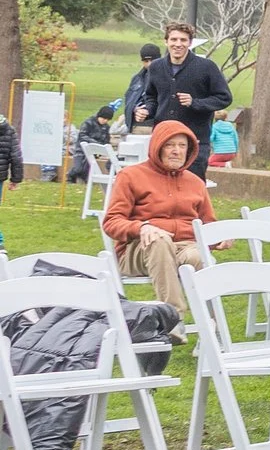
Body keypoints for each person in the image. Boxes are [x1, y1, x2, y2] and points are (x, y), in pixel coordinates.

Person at [102, 122, 214, 305]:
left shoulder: (195, 183)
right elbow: (111, 222)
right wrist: (142, 227)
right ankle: (174, 320)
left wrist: (222, 238)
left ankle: (211, 326)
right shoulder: (130, 176)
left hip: (185, 246)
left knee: (198, 257)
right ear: (157, 147)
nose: (176, 151)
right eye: (170, 145)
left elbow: (209, 224)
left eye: (182, 146)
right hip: (139, 249)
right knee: (158, 239)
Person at [132, 23, 233, 144]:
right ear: (166, 42)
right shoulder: (156, 67)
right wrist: (147, 111)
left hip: (195, 140)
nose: (178, 44)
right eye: (174, 39)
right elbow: (151, 97)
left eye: (183, 40)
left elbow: (224, 98)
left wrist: (195, 102)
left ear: (190, 43)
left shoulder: (207, 67)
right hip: (164, 139)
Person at [121, 42, 160, 126]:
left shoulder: (166, 77)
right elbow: (128, 101)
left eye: (152, 60)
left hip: (156, 125)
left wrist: (147, 110)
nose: (149, 64)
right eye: (146, 61)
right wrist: (135, 109)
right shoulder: (137, 78)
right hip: (135, 124)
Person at [72, 107, 114, 182]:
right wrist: (95, 143)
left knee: (87, 168)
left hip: (95, 151)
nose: (105, 121)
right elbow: (82, 135)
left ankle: (85, 179)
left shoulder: (106, 127)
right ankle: (70, 176)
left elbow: (106, 140)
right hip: (81, 150)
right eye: (104, 118)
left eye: (107, 120)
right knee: (78, 169)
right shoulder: (88, 123)